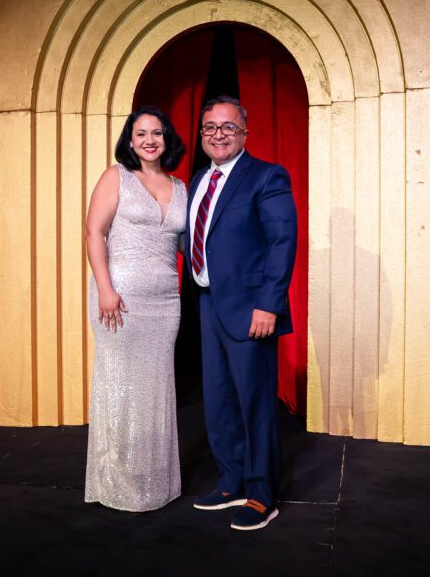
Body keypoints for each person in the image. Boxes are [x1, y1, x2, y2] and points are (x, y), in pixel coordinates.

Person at [183, 96, 298, 531]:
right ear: (201, 135)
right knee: (219, 401)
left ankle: (263, 495)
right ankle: (230, 481)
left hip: (251, 308)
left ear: (245, 133)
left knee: (254, 403)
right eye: (210, 127)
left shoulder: (266, 175)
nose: (218, 134)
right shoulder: (197, 180)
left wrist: (269, 303)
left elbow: (282, 241)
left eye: (228, 127)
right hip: (208, 303)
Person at [84, 106, 188, 512]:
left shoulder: (180, 187)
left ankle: (154, 482)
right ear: (130, 141)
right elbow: (94, 231)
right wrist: (106, 289)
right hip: (120, 298)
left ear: (167, 139)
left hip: (165, 303)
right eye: (141, 133)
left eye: (157, 133)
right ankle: (116, 483)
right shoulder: (117, 177)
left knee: (156, 389)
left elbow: (187, 245)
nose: (149, 140)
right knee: (120, 386)